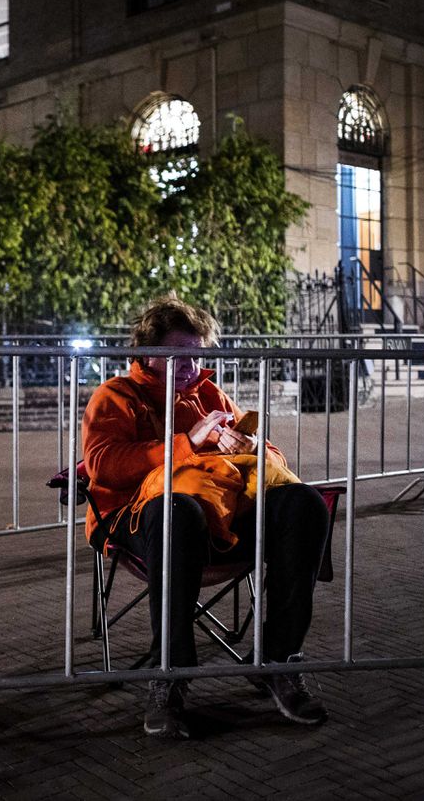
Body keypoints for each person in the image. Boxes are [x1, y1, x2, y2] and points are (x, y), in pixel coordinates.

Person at [81, 296, 329, 740]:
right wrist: (186, 442)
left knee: (304, 503)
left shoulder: (210, 394)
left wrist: (249, 446)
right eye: (179, 354)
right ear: (148, 352)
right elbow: (104, 465)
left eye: (197, 352)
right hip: (138, 516)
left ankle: (278, 659)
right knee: (178, 511)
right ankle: (170, 675)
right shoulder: (117, 395)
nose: (192, 364)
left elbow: (268, 454)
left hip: (222, 513)